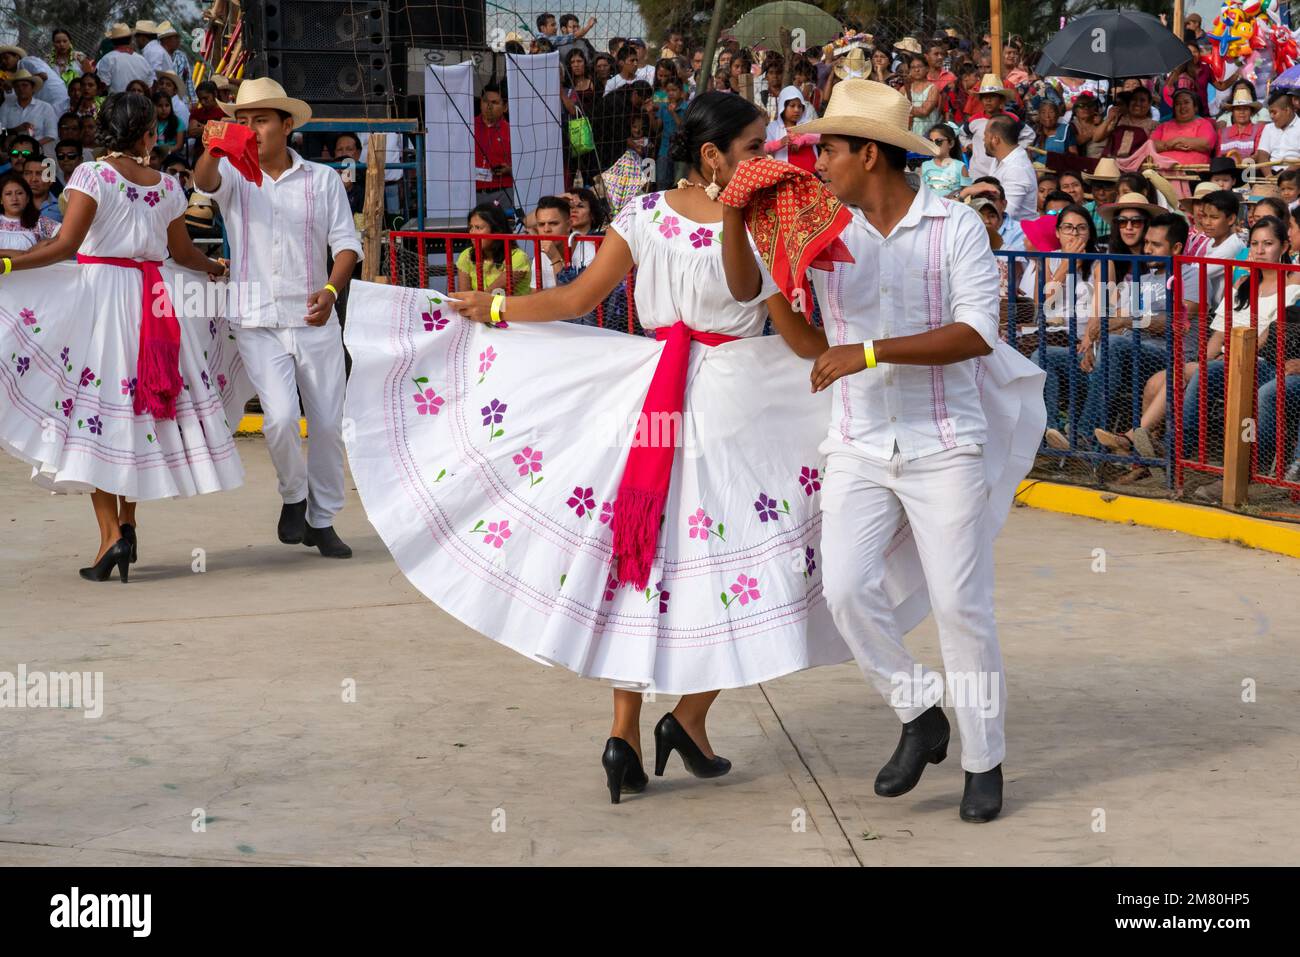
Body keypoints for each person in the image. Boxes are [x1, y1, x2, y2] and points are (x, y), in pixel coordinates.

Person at [341, 92, 855, 805]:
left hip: (649, 399)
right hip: (730, 403)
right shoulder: (732, 221)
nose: (767, 157)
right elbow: (759, 310)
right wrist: (846, 357)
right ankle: (686, 717)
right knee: (745, 566)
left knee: (642, 559)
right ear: (714, 156)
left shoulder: (647, 214)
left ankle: (627, 733)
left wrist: (497, 307)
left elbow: (579, 297)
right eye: (754, 147)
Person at [739, 78, 1044, 823]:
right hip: (857, 444)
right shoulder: (822, 231)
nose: (820, 162)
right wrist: (756, 239)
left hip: (946, 446)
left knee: (960, 608)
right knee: (842, 588)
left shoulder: (957, 227)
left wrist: (868, 352)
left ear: (869, 154)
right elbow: (812, 343)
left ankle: (984, 760)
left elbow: (976, 334)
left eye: (831, 149)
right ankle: (919, 707)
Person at [0, 92, 241, 579]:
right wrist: (216, 267)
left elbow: (65, 245)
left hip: (102, 300)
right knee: (138, 414)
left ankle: (111, 536)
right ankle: (127, 528)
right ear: (147, 133)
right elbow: (184, 254)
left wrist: (10, 262)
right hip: (153, 300)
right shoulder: (169, 187)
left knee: (95, 415)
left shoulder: (93, 175)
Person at [193, 77, 362, 560]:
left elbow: (346, 244)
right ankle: (294, 497)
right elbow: (204, 183)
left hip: (314, 318)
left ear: (287, 126)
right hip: (255, 318)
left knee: (328, 424)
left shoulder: (323, 179)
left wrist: (332, 289)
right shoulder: (232, 175)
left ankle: (323, 520)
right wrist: (216, 145)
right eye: (244, 121)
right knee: (281, 419)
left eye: (261, 120)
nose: (253, 129)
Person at [965, 114, 1036, 222]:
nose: (983, 140)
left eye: (985, 135)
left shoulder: (1016, 169)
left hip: (1017, 235)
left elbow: (1003, 214)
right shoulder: (999, 158)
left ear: (995, 139)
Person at [455, 201, 530, 295]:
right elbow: (464, 297)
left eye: (478, 228)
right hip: (481, 308)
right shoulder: (466, 255)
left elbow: (489, 296)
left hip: (512, 309)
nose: (472, 233)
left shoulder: (517, 258)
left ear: (497, 231)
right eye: (471, 227)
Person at [474, 83, 513, 214]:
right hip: (471, 193)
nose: (489, 106)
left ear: (505, 107)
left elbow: (526, 165)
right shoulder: (467, 126)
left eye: (494, 102)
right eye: (485, 101)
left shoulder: (513, 131)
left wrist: (510, 169)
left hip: (503, 192)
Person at [763, 86, 819, 174]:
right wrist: (779, 143)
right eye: (792, 106)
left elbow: (818, 137)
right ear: (783, 107)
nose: (796, 110)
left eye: (800, 106)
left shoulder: (807, 124)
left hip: (811, 175)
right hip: (787, 176)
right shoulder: (773, 127)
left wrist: (801, 141)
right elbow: (764, 148)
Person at [1, 70, 59, 148]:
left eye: (25, 85)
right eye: (17, 86)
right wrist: (16, 129)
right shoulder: (6, 106)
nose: (21, 89)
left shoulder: (45, 107)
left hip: (39, 152)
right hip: (12, 153)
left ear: (32, 88)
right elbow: (1, 131)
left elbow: (52, 135)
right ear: (14, 89)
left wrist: (31, 147)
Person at [96, 23, 156, 94]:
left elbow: (103, 86)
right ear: (130, 39)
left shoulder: (108, 59)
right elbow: (149, 86)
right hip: (139, 103)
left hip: (117, 102)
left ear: (112, 41)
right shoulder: (143, 60)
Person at [919, 123, 968, 197]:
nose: (933, 145)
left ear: (951, 143)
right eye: (930, 141)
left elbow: (968, 192)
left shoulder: (961, 167)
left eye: (938, 141)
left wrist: (953, 198)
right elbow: (920, 192)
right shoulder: (924, 166)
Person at [1253, 89, 1300, 165]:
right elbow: (1262, 155)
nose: (1271, 116)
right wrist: (1269, 175)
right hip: (1270, 171)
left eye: (1274, 112)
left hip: (1294, 173)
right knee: (1247, 173)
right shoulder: (1268, 128)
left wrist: (1280, 176)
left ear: (1287, 111)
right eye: (1270, 113)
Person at [1217, 87, 1264, 160]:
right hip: (1226, 170)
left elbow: (1258, 155)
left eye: (1246, 109)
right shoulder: (1222, 132)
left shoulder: (1259, 129)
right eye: (1238, 109)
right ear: (1233, 112)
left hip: (1250, 169)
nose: (1242, 112)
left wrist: (1242, 164)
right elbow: (1218, 157)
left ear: (1251, 112)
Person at [906, 55, 939, 138]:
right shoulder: (905, 88)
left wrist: (906, 109)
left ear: (927, 68)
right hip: (908, 132)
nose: (916, 70)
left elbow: (924, 111)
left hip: (927, 133)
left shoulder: (932, 88)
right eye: (913, 67)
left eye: (920, 66)